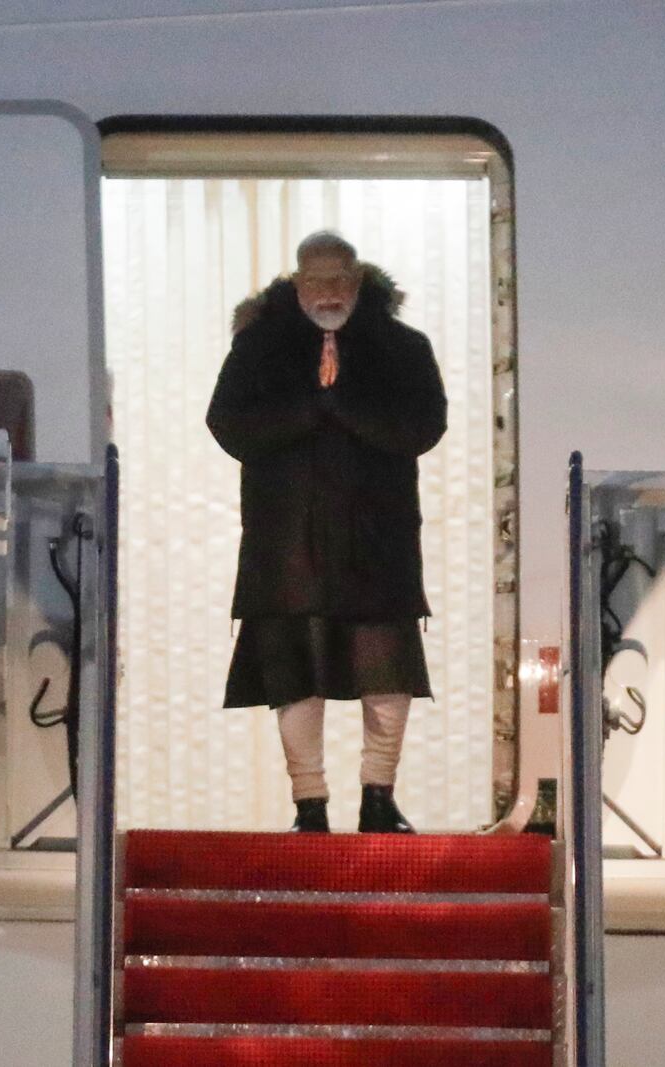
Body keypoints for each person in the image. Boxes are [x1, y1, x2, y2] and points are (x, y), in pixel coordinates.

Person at [206, 231, 446, 833]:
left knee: (386, 674)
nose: (328, 292)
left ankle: (378, 798)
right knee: (294, 676)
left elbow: (424, 426)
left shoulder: (404, 348)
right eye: (315, 280)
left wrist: (345, 409)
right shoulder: (259, 347)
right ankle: (308, 805)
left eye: (340, 279)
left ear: (359, 280)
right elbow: (228, 424)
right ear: (295, 282)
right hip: (285, 546)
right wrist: (311, 409)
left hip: (378, 543)